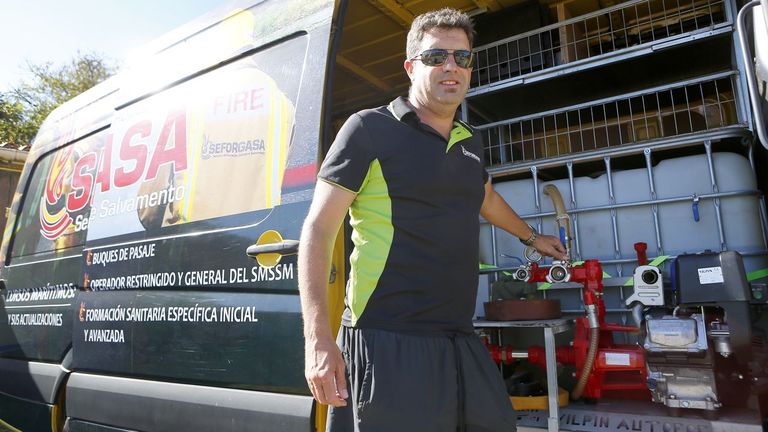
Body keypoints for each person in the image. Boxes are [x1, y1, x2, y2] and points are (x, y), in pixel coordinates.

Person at [298, 7, 567, 432]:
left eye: (462, 58)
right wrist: (318, 340)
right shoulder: (368, 129)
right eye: (436, 56)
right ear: (411, 67)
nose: (451, 67)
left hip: (458, 335)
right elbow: (318, 230)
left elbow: (485, 197)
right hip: (388, 338)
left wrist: (532, 237)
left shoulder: (470, 140)